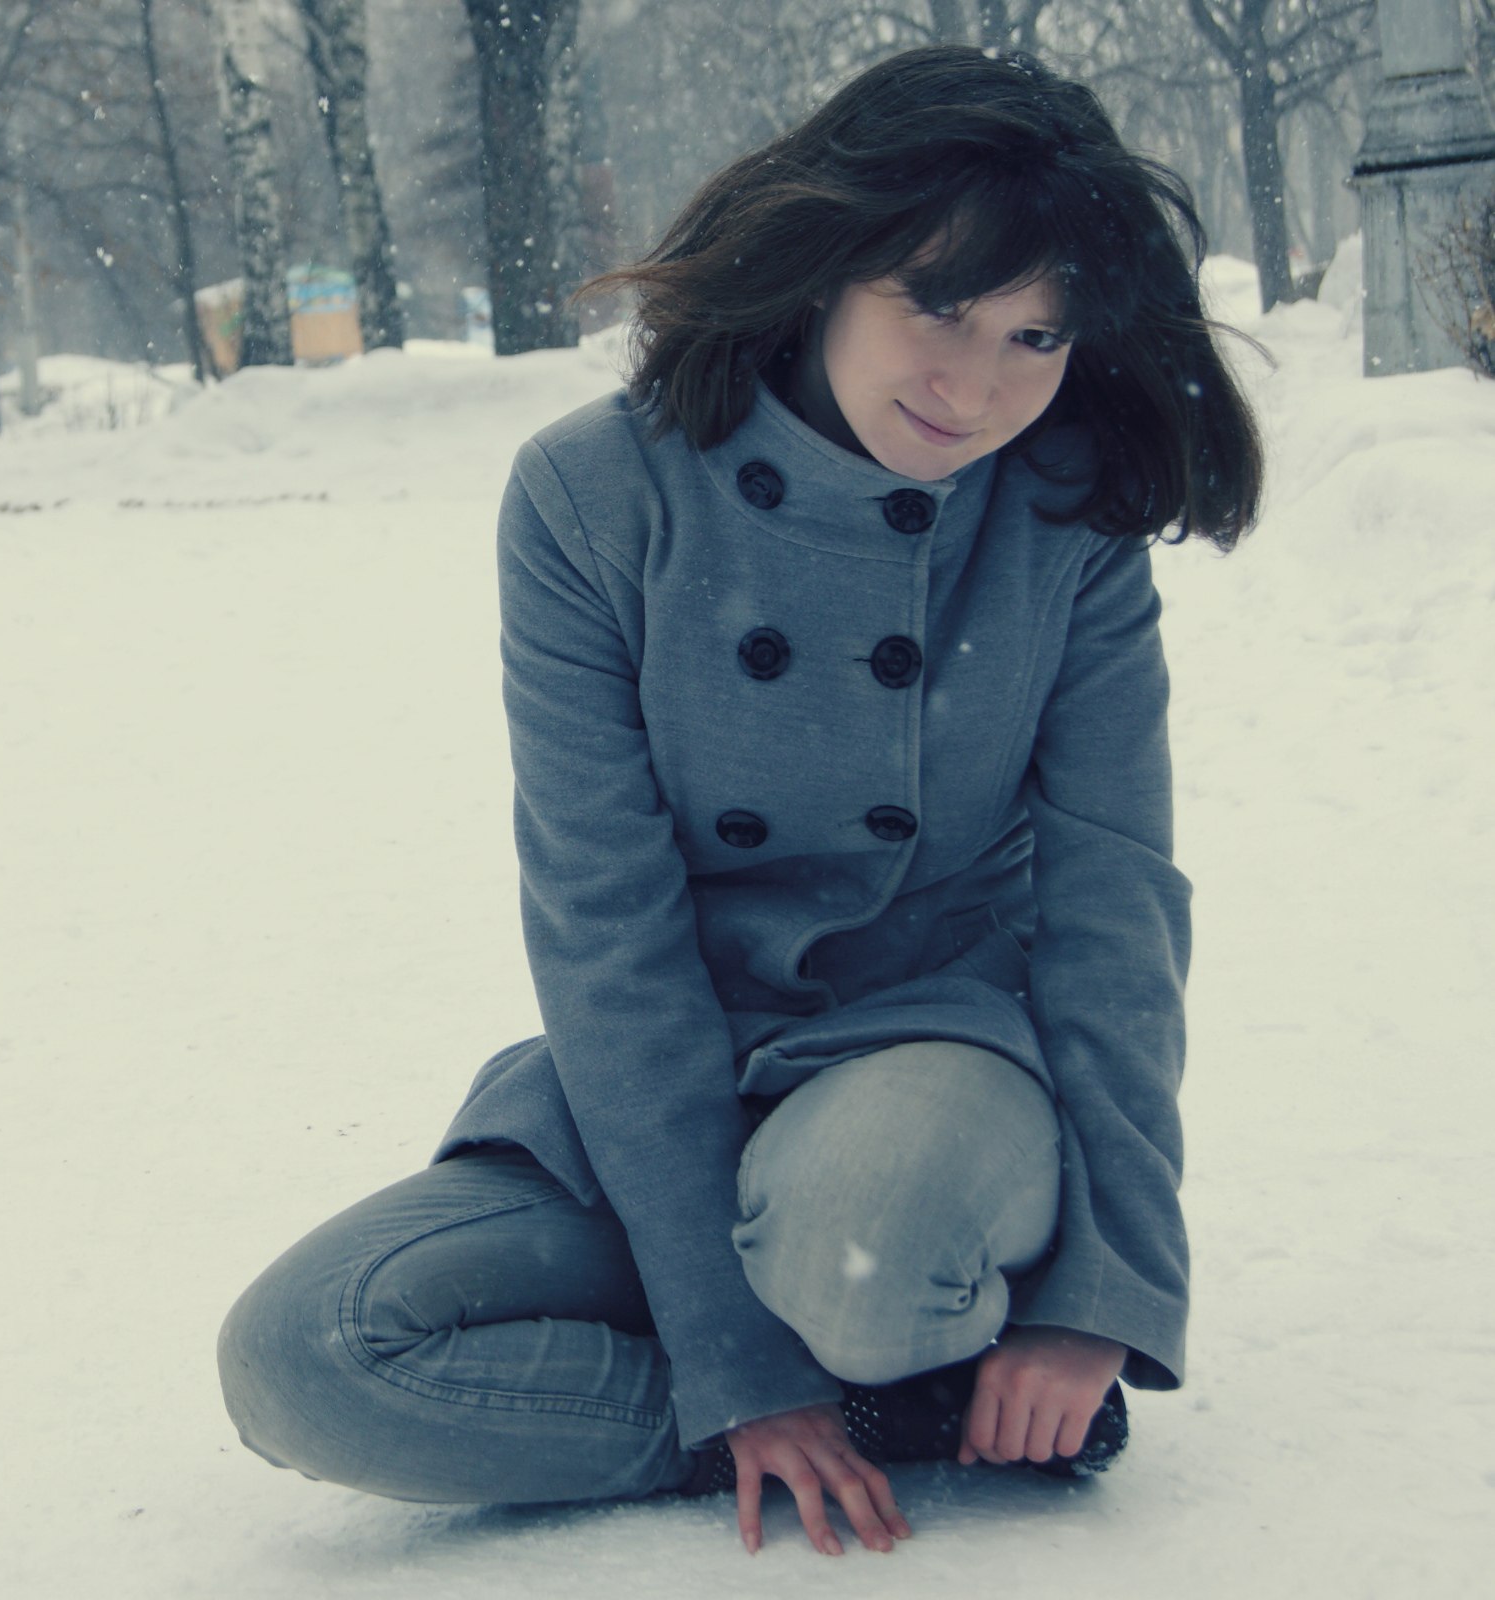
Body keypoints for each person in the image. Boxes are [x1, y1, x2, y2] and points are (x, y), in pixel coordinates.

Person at [215, 45, 1264, 1557]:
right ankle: (878, 1406)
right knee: (308, 1356)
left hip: (932, 1061)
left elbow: (1115, 904)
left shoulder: (1062, 510)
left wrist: (1105, 1293)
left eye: (1036, 335)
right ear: (828, 263)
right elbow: (606, 928)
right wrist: (733, 1370)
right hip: (675, 1080)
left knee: (863, 1247)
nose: (976, 388)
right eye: (937, 306)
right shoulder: (596, 498)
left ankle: (864, 1325)